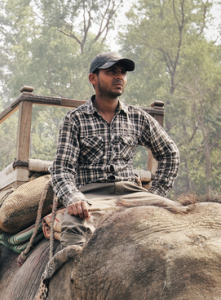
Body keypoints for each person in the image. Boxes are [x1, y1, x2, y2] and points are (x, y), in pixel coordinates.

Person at [50, 51, 180, 248]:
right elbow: (61, 170)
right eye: (111, 72)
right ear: (93, 78)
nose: (119, 77)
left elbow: (170, 153)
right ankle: (66, 278)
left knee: (182, 219)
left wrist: (156, 194)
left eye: (123, 73)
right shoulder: (75, 119)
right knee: (75, 229)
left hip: (133, 194)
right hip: (92, 196)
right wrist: (74, 198)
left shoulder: (137, 117)